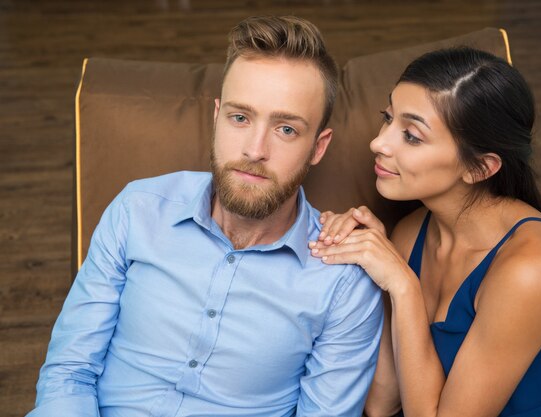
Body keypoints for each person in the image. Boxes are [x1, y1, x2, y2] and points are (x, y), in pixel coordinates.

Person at [28, 16, 383, 417]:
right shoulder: (138, 209)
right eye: (240, 118)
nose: (255, 149)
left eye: (285, 129)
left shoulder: (343, 280)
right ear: (216, 117)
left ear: (318, 148)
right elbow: (70, 372)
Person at [310, 47, 541, 417]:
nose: (379, 143)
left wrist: (404, 286)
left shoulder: (531, 270)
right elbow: (382, 402)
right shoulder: (410, 233)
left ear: (480, 168)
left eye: (412, 135)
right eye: (387, 118)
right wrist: (377, 266)